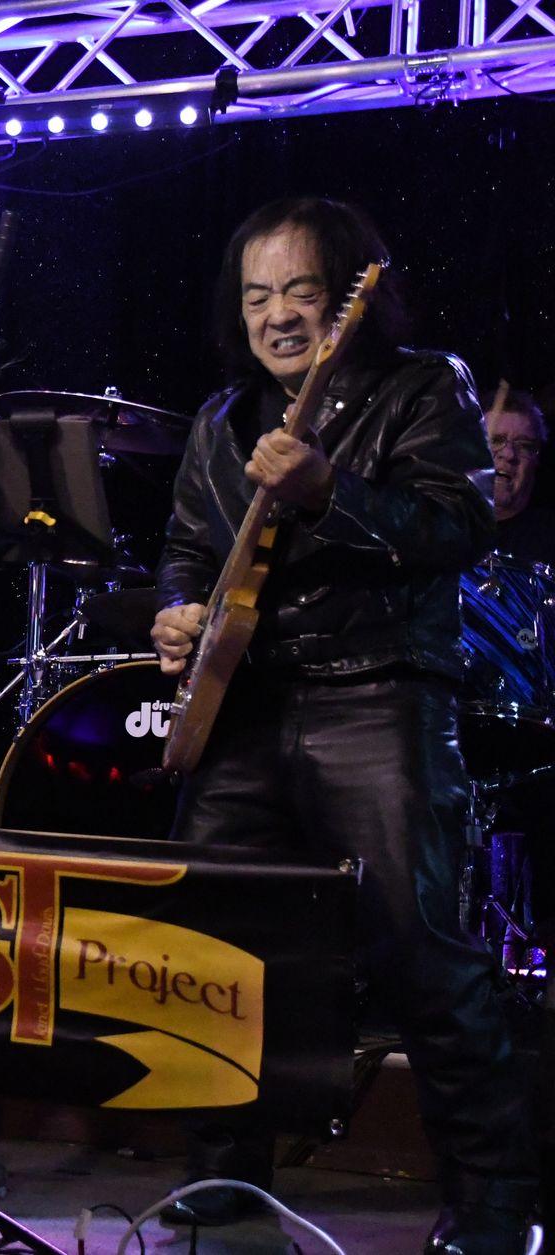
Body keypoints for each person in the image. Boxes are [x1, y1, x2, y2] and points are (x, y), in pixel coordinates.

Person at [149, 197, 537, 1254]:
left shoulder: (423, 385)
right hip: (245, 709)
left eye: (300, 291)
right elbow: (186, 547)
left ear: (350, 300)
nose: (276, 314)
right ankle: (223, 1171)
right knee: (216, 944)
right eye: (256, 296)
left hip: (377, 694)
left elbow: (455, 525)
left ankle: (495, 1200)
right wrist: (177, 609)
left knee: (419, 950)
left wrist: (330, 491)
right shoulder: (221, 418)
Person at [484, 386, 555, 563]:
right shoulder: (435, 526)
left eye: (524, 445)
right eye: (496, 440)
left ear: (536, 460)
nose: (509, 454)